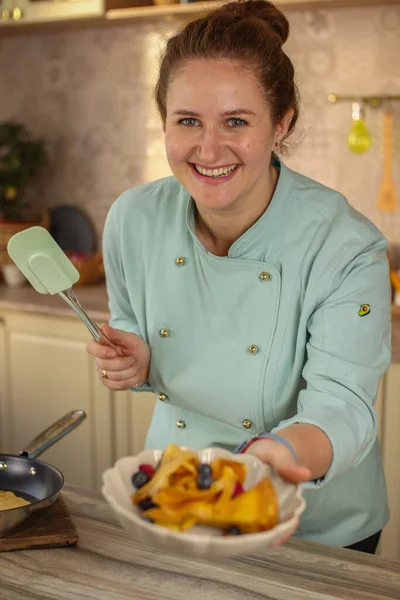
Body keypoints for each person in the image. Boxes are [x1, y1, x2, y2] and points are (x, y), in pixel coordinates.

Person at [86, 0, 391, 554]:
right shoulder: (134, 218)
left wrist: (278, 458)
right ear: (163, 123)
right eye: (187, 121)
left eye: (235, 121)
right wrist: (136, 359)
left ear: (283, 123)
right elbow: (136, 327)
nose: (208, 148)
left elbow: (344, 404)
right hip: (178, 499)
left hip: (311, 528)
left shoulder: (345, 245)